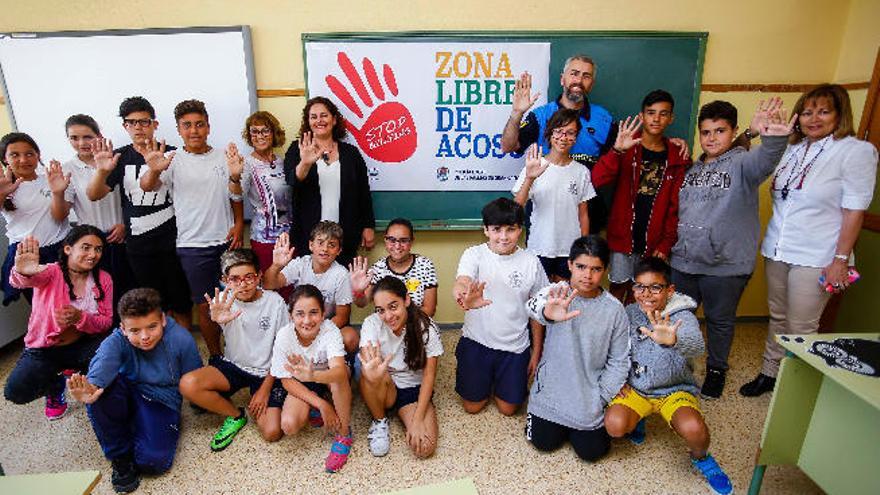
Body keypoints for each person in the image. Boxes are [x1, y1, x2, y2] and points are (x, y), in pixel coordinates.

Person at [740, 84, 879, 397]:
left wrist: (840, 261)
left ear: (839, 114)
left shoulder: (855, 151)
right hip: (778, 247)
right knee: (777, 316)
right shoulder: (792, 149)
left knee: (802, 327)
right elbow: (744, 167)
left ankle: (795, 388)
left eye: (824, 111)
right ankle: (769, 373)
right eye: (807, 111)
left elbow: (855, 210)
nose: (814, 118)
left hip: (818, 255)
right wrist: (754, 133)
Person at [669, 99, 795, 399]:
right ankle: (678, 365)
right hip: (685, 260)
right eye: (706, 132)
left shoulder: (742, 163)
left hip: (725, 265)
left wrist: (774, 138)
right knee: (679, 317)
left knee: (719, 321)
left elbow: (766, 159)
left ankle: (716, 370)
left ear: (734, 131)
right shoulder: (693, 168)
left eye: (720, 131)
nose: (712, 138)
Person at [604, 257, 733, 495]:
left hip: (674, 390)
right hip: (637, 389)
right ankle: (639, 419)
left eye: (655, 287)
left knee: (695, 429)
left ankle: (702, 459)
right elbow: (616, 349)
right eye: (640, 287)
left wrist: (674, 340)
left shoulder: (682, 315)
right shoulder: (629, 313)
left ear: (670, 290)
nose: (647, 294)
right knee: (614, 426)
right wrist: (616, 380)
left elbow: (696, 346)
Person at [66, 288, 202, 493]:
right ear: (122, 328)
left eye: (152, 326)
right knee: (98, 394)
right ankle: (119, 456)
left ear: (163, 320)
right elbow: (103, 365)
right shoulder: (116, 340)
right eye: (135, 331)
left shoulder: (181, 339)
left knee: (154, 463)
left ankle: (138, 428)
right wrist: (91, 387)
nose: (145, 336)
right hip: (126, 390)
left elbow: (196, 379)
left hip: (161, 400)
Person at [139, 99, 245, 359]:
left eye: (199, 125)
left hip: (226, 242)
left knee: (237, 301)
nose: (194, 130)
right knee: (207, 306)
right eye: (187, 126)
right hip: (192, 247)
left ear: (208, 127)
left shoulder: (224, 156)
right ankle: (216, 356)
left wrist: (239, 223)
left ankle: (240, 354)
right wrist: (153, 171)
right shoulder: (170, 160)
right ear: (179, 130)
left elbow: (235, 194)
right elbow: (147, 186)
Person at [85, 96, 192, 329]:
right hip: (137, 245)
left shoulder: (173, 153)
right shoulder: (119, 158)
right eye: (131, 122)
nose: (138, 127)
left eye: (143, 122)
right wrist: (101, 171)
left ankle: (182, 348)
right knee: (151, 304)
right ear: (125, 126)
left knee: (181, 301)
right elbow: (94, 194)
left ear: (154, 124)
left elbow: (154, 186)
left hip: (173, 240)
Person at [524, 235, 629, 462]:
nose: (587, 276)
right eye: (581, 266)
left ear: (605, 270)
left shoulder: (614, 310)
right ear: (570, 264)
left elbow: (619, 360)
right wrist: (547, 313)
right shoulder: (555, 293)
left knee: (592, 453)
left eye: (596, 269)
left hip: (588, 398)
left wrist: (601, 397)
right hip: (549, 397)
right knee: (542, 443)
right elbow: (532, 306)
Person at [179, 249, 289, 451]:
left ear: (259, 275)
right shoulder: (223, 301)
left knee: (272, 432)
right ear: (225, 280)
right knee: (188, 384)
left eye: (249, 277)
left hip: (266, 372)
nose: (243, 284)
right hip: (233, 366)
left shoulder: (275, 302)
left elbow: (283, 350)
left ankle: (271, 396)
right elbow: (216, 323)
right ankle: (235, 415)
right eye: (235, 279)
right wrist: (217, 321)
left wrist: (265, 388)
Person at [3, 226, 113, 420]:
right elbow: (24, 280)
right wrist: (23, 272)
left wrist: (81, 318)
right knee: (15, 392)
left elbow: (106, 322)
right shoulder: (52, 272)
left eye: (98, 249)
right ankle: (55, 387)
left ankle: (85, 381)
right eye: (85, 247)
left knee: (112, 357)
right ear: (68, 249)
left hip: (84, 346)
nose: (93, 254)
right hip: (45, 351)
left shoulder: (103, 279)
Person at [452, 197, 549, 416]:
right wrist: (464, 295)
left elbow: (537, 311)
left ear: (520, 230)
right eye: (496, 229)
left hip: (514, 347)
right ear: (486, 230)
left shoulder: (530, 261)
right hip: (477, 342)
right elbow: (461, 282)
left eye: (511, 229)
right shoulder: (473, 254)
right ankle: (479, 374)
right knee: (472, 407)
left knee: (508, 409)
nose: (503, 237)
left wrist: (536, 351)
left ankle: (501, 379)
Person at [592, 90, 690, 304]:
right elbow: (597, 179)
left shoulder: (676, 156)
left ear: (671, 118)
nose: (656, 118)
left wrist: (665, 244)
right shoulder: (627, 146)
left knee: (643, 295)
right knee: (618, 291)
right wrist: (617, 151)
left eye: (663, 114)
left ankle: (636, 337)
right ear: (642, 116)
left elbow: (676, 207)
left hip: (655, 242)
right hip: (622, 238)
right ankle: (617, 335)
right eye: (651, 112)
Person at [500, 55, 613, 233]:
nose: (579, 80)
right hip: (545, 218)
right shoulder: (541, 115)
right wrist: (516, 113)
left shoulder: (604, 119)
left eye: (586, 76)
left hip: (588, 215)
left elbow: (618, 156)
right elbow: (508, 146)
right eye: (574, 74)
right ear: (563, 79)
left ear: (592, 83)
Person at [283, 96, 375, 268]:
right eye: (314, 117)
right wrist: (305, 162)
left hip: (344, 233)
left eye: (324, 115)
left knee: (342, 284)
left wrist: (368, 226)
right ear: (308, 122)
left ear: (333, 119)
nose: (319, 120)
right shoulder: (298, 148)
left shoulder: (351, 153)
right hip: (308, 235)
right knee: (310, 289)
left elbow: (363, 192)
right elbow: (292, 181)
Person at [270, 284, 353, 473]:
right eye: (300, 313)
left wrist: (313, 375)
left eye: (314, 312)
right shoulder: (284, 335)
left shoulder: (329, 330)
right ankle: (319, 404)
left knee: (337, 379)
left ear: (323, 314)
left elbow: (339, 372)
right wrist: (323, 405)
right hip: (302, 380)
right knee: (289, 426)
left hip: (327, 375)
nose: (307, 320)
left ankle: (344, 434)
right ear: (291, 315)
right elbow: (286, 380)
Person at [359, 276, 443, 458]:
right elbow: (367, 357)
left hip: (412, 391)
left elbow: (429, 376)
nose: (388, 316)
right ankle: (380, 419)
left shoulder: (426, 327)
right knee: (368, 373)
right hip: (384, 385)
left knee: (425, 448)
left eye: (393, 306)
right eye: (380, 310)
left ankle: (406, 413)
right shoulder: (371, 323)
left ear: (406, 300)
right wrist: (372, 373)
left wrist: (418, 419)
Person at [62, 114, 133, 318]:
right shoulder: (68, 169)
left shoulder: (116, 159)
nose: (81, 143)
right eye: (74, 138)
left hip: (122, 236)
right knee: (100, 296)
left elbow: (131, 197)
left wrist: (124, 224)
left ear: (99, 136)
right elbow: (62, 212)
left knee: (128, 291)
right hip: (91, 243)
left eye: (88, 137)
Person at [512, 108, 595, 281]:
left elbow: (583, 213)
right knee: (540, 299)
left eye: (570, 133)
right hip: (540, 245)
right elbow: (517, 205)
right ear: (549, 133)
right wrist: (529, 177)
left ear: (576, 136)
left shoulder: (581, 172)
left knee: (563, 298)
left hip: (569, 248)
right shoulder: (534, 165)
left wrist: (583, 247)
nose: (564, 137)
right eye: (558, 131)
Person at [0, 132, 71, 305]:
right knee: (43, 309)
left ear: (38, 155)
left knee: (72, 302)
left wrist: (57, 192)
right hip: (26, 256)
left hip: (61, 250)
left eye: (29, 153)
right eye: (15, 155)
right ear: (4, 159)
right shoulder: (4, 186)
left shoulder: (52, 179)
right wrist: (2, 194)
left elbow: (60, 216)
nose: (23, 160)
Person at [263, 222, 357, 353]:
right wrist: (276, 265)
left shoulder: (341, 274)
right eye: (320, 243)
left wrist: (316, 332)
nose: (325, 249)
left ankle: (341, 362)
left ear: (339, 251)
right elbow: (268, 285)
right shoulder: (300, 264)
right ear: (311, 245)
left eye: (332, 245)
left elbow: (342, 317)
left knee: (350, 336)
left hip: (326, 325)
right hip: (300, 323)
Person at [234, 111, 292, 282]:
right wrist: (235, 177)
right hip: (264, 239)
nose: (260, 136)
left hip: (288, 237)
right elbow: (237, 195)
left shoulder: (283, 162)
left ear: (274, 133)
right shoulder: (246, 164)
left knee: (290, 284)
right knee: (270, 284)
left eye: (265, 130)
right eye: (254, 131)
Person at [349, 218, 439, 317]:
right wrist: (358, 292)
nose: (397, 246)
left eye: (403, 240)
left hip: (415, 323)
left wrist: (401, 323)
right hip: (386, 323)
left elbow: (429, 309)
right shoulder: (378, 268)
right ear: (385, 240)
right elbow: (362, 303)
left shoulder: (425, 265)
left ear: (411, 242)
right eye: (392, 240)